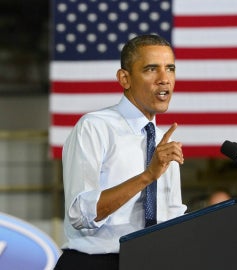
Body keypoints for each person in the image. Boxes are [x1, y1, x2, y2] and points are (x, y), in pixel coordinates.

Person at [54, 34, 187, 270]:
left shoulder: (163, 141)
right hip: (95, 262)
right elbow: (80, 213)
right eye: (151, 69)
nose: (164, 79)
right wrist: (147, 176)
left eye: (170, 68)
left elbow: (172, 216)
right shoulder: (95, 127)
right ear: (124, 78)